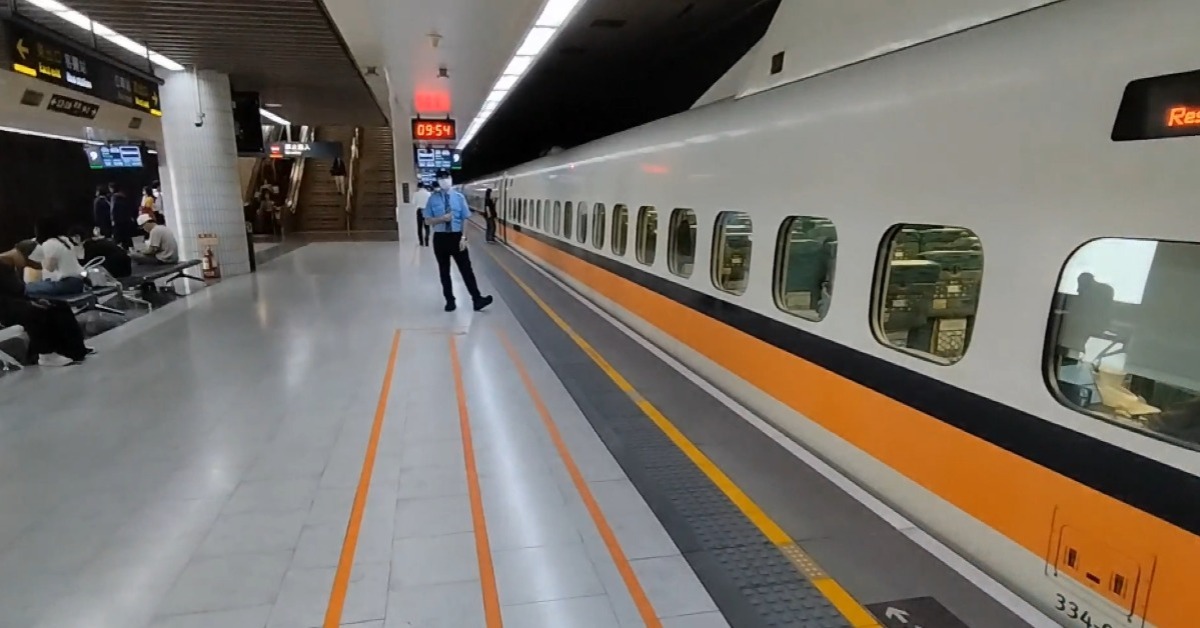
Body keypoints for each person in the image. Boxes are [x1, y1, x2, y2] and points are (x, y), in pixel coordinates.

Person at [0, 240, 89, 366]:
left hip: (15, 303)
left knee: (58, 306)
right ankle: (45, 354)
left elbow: (18, 292)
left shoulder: (11, 265)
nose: (26, 266)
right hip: (4, 308)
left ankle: (75, 349)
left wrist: (34, 300)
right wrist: (29, 303)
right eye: (27, 262)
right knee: (35, 313)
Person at [423, 169, 494, 312]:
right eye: (442, 178)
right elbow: (427, 221)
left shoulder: (459, 197)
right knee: (444, 271)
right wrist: (441, 219)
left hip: (457, 237)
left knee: (466, 270)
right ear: (438, 181)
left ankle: (477, 299)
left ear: (450, 178)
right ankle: (450, 301)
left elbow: (465, 218)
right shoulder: (432, 199)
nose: (445, 180)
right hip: (440, 238)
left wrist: (464, 237)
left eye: (447, 177)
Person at [25, 217, 87, 298]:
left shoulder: (49, 243)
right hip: (79, 282)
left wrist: (37, 257)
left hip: (66, 284)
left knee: (27, 288)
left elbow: (50, 268)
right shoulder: (64, 240)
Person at [109, 183, 137, 249]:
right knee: (126, 234)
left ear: (112, 188)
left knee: (117, 235)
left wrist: (112, 219)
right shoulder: (124, 196)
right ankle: (129, 247)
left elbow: (113, 209)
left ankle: (117, 249)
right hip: (125, 219)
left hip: (118, 219)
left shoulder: (114, 197)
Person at [413, 182, 432, 246]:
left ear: (418, 187)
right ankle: (427, 241)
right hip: (427, 211)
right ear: (424, 186)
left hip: (419, 210)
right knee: (427, 226)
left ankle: (421, 242)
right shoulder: (428, 193)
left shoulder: (416, 194)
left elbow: (414, 203)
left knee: (419, 227)